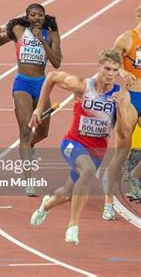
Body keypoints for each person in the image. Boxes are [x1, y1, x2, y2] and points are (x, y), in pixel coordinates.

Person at [29, 49, 134, 245]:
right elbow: (52, 77)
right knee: (87, 171)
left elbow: (125, 133)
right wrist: (39, 108)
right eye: (107, 69)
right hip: (73, 142)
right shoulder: (83, 85)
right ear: (99, 67)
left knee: (67, 194)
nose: (110, 74)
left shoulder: (121, 95)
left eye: (114, 70)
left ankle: (46, 205)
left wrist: (120, 109)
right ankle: (73, 226)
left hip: (97, 150)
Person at [0, 3, 62, 196]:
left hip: (41, 84)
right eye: (33, 15)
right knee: (24, 131)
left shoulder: (52, 34)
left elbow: (56, 62)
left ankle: (30, 145)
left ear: (44, 16)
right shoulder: (18, 30)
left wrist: (43, 41)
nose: (37, 18)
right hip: (22, 83)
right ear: (28, 16)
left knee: (43, 132)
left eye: (40, 15)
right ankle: (28, 181)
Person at [102, 6, 141, 219]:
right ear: (138, 15)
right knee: (121, 152)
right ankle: (108, 201)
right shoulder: (126, 39)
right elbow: (111, 63)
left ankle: (135, 175)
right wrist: (124, 71)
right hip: (131, 99)